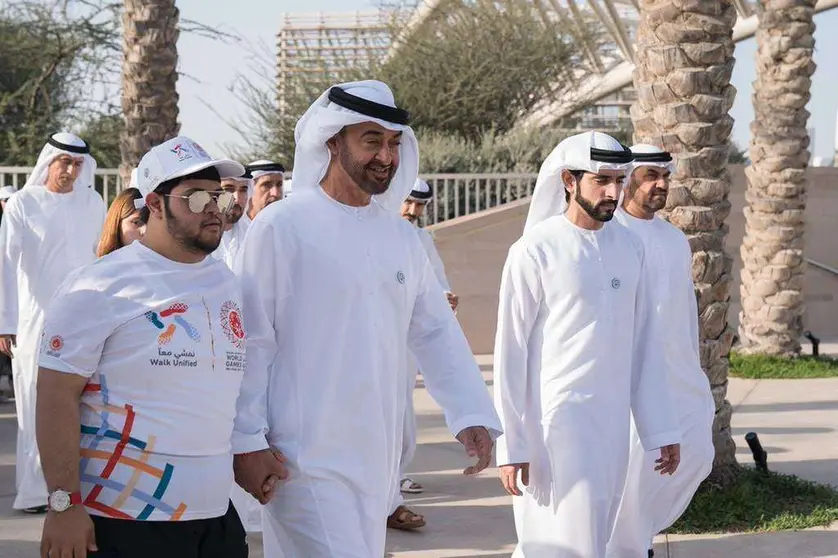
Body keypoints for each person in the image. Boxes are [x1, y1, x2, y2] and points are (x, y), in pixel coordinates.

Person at [232, 80, 502, 558]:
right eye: (372, 140)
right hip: (302, 455)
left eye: (394, 143)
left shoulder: (402, 238)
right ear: (333, 141)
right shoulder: (282, 225)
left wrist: (471, 413)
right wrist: (246, 441)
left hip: (375, 456)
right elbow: (253, 340)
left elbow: (435, 330)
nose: (386, 156)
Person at [35, 135, 282, 558]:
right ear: (155, 202)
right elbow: (56, 393)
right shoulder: (98, 285)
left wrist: (250, 446)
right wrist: (64, 504)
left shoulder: (227, 282)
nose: (214, 210)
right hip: (125, 518)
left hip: (215, 516)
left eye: (218, 197)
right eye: (196, 197)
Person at [493, 131, 682, 558]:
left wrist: (662, 428)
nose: (614, 192)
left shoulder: (630, 247)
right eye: (602, 180)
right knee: (561, 543)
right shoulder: (535, 250)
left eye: (619, 180)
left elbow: (645, 346)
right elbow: (511, 353)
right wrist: (512, 444)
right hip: (556, 425)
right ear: (568, 181)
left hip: (613, 427)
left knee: (595, 540)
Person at [607, 144, 715, 558]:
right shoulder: (610, 234)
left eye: (665, 177)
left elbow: (685, 310)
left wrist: (693, 368)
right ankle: (626, 548)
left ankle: (639, 535)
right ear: (628, 179)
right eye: (651, 175)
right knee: (634, 466)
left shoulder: (673, 239)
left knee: (696, 454)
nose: (661, 184)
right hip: (628, 375)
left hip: (676, 371)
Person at [0, 132, 106, 513]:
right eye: (64, 162)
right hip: (33, 322)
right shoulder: (23, 205)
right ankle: (34, 492)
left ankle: (72, 489)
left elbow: (101, 258)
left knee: (81, 404)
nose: (70, 170)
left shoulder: (93, 202)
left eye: (77, 164)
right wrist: (5, 321)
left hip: (82, 321)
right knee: (32, 401)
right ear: (49, 162)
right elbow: (5, 266)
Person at [386, 178, 460, 532]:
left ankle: (395, 481)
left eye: (420, 206)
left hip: (407, 340)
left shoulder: (422, 239)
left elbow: (437, 280)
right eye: (409, 203)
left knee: (401, 409)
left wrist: (445, 298)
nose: (414, 212)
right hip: (375, 338)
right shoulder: (377, 232)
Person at [214, 160, 285, 270]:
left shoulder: (254, 235)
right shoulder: (196, 236)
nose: (237, 199)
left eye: (243, 190)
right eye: (228, 189)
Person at [96, 186, 146, 257]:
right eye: (136, 222)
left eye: (151, 224)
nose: (145, 230)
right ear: (117, 224)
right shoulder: (104, 266)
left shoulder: (163, 264)